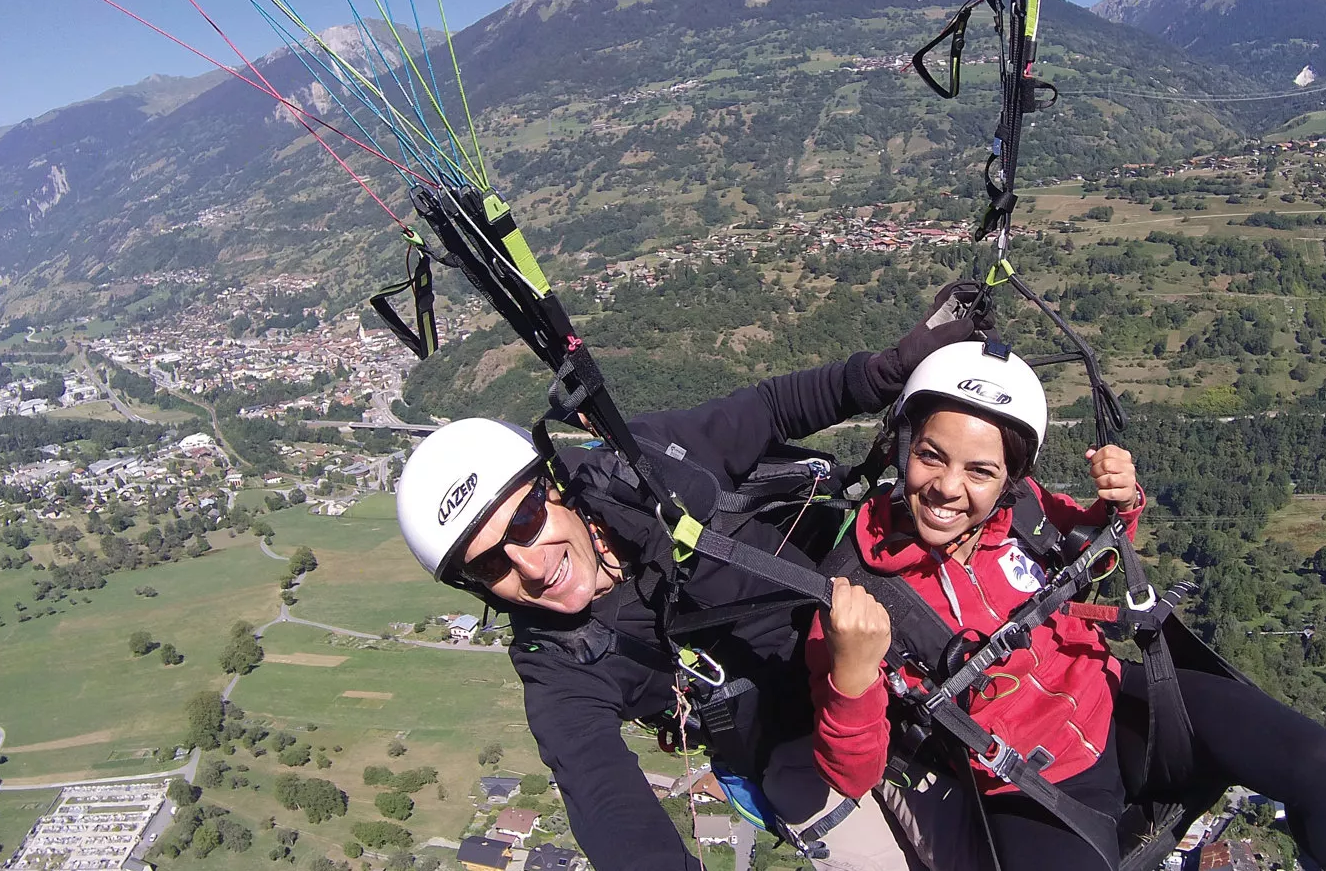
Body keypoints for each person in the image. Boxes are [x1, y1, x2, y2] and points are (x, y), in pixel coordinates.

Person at [394, 297, 980, 871]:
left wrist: (886, 372)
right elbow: (603, 797)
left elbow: (768, 412)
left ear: (554, 487)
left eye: (525, 520)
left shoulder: (641, 469)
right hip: (797, 748)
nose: (531, 566)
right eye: (488, 566)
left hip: (875, 639)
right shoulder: (559, 660)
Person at [807, 340, 1326, 871]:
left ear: (1010, 479)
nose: (948, 487)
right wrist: (852, 674)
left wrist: (1121, 505)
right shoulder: (856, 591)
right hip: (1026, 784)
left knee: (1321, 764)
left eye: (980, 470)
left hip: (1116, 701)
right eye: (931, 457)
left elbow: (1092, 555)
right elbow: (851, 775)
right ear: (904, 446)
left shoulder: (1022, 513)